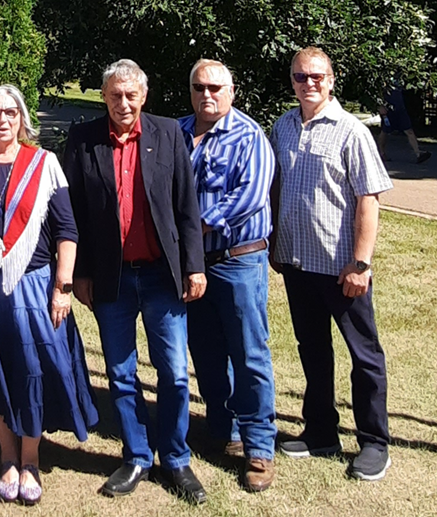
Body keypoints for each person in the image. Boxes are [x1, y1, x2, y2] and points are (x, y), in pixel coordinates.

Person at [63, 59, 208, 504]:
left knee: (174, 374)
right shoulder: (84, 140)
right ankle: (136, 455)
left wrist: (194, 265)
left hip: (162, 276)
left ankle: (177, 459)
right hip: (113, 278)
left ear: (143, 96)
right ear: (103, 96)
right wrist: (80, 272)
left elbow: (186, 206)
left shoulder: (168, 134)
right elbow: (73, 215)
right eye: (114, 95)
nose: (122, 104)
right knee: (122, 373)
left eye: (130, 95)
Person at [0, 85, 98, 505]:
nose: (2, 120)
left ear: (22, 120)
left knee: (34, 369)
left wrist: (63, 286)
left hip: (34, 283)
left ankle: (31, 459)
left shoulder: (45, 164)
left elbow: (67, 232)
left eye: (11, 113)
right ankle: (6, 457)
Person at [270, 47, 393, 481]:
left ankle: (374, 442)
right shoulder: (282, 126)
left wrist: (361, 263)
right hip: (297, 263)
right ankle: (321, 430)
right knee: (313, 351)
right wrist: (274, 245)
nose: (309, 84)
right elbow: (276, 186)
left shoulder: (350, 131)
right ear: (292, 81)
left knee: (364, 355)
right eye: (301, 77)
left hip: (342, 268)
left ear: (332, 79)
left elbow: (368, 200)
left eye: (317, 76)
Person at [178, 59, 277, 492]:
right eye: (200, 87)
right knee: (205, 349)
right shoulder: (176, 133)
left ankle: (259, 447)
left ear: (232, 91)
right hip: (194, 266)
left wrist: (187, 225)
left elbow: (250, 196)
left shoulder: (250, 136)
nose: (207, 95)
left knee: (249, 353)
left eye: (216, 87)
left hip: (238, 261)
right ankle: (223, 428)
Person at [376, 86, 431, 164]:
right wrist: (380, 106)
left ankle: (418, 154)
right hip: (388, 110)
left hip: (400, 109)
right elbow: (377, 92)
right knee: (385, 131)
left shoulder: (400, 77)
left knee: (409, 130)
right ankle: (381, 153)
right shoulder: (384, 78)